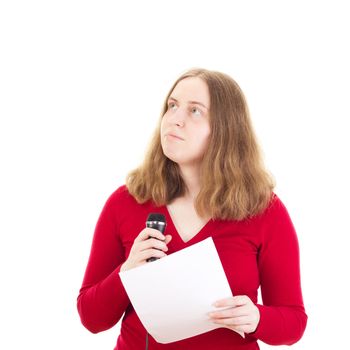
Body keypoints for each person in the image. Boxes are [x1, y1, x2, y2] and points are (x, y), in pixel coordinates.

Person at [77, 68, 307, 349]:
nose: (175, 119)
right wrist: (126, 272)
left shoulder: (264, 210)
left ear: (225, 129)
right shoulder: (125, 202)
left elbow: (294, 323)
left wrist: (258, 318)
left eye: (195, 111)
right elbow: (91, 319)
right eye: (172, 106)